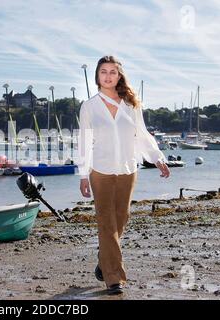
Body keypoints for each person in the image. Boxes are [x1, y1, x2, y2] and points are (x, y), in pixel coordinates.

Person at [77, 55, 170, 295]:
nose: (108, 76)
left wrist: (157, 157)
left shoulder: (131, 104)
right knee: (106, 223)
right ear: (97, 76)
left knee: (122, 218)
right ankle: (113, 278)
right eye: (103, 72)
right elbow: (84, 142)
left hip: (128, 169)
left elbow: (142, 133)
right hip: (100, 171)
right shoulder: (89, 107)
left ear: (119, 76)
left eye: (112, 72)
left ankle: (104, 257)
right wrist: (83, 175)